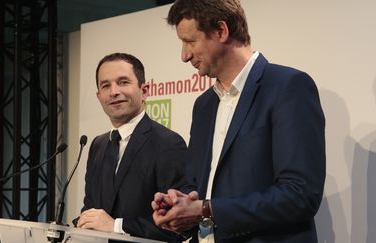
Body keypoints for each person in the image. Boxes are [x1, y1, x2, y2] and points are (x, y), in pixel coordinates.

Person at [151, 0, 326, 242]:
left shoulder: (288, 87)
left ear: (221, 31)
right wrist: (178, 208)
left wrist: (206, 209)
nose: (184, 55)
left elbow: (300, 195)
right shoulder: (203, 106)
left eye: (190, 41)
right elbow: (195, 187)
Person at [76, 52, 187, 242]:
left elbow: (177, 225)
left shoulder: (168, 143)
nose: (113, 92)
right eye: (105, 86)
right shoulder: (97, 145)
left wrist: (116, 226)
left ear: (144, 91)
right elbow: (91, 209)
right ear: (99, 96)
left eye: (123, 82)